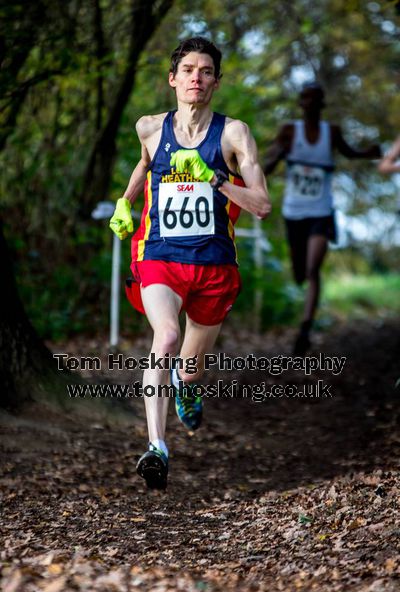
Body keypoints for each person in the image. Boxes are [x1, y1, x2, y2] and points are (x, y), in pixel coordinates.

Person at [109, 37, 270, 490]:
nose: (195, 78)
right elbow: (145, 164)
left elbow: (261, 205)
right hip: (161, 255)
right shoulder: (149, 127)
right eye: (187, 70)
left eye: (205, 71)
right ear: (173, 79)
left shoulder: (234, 133)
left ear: (216, 82)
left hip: (215, 263)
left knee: (190, 364)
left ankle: (188, 381)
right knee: (167, 334)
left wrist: (216, 178)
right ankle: (156, 447)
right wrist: (125, 202)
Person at [264, 82, 381, 355]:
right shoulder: (290, 132)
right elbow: (267, 164)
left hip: (321, 211)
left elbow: (350, 152)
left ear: (322, 103)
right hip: (294, 212)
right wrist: (274, 159)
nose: (311, 103)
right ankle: (302, 297)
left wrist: (370, 153)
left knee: (313, 268)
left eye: (316, 98)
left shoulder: (333, 132)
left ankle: (305, 328)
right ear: (300, 103)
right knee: (299, 274)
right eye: (306, 98)